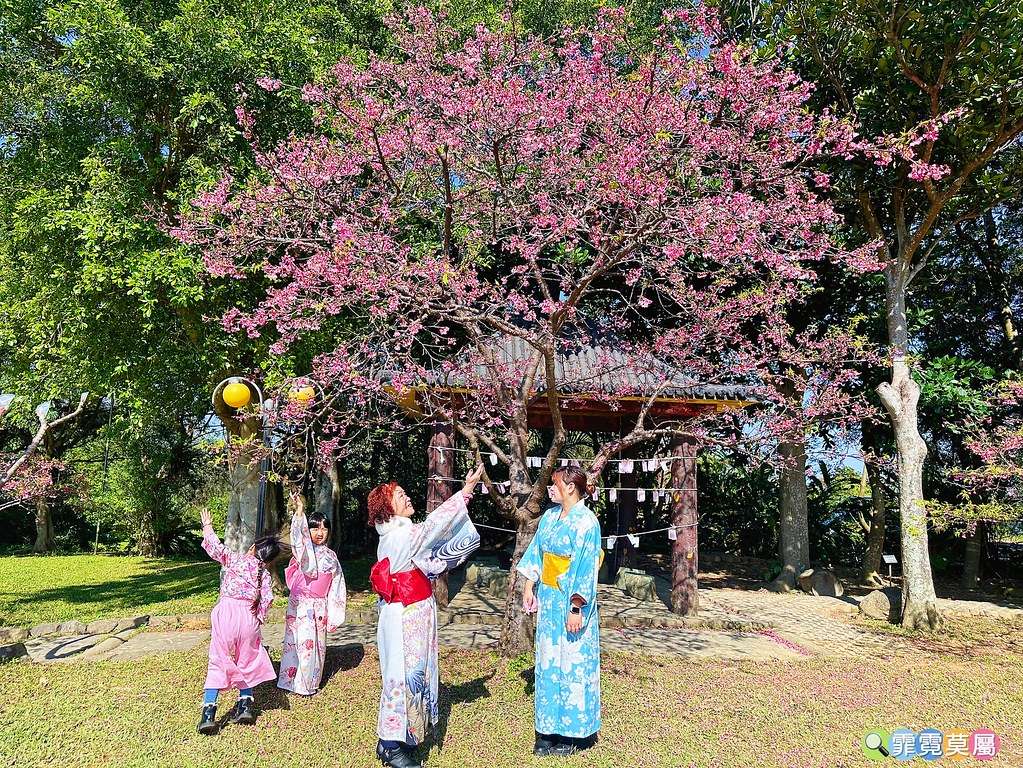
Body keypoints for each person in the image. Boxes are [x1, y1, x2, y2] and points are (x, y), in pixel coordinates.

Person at [368, 464, 484, 768]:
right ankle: (391, 745)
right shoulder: (401, 535)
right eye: (400, 496)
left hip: (410, 613)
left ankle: (399, 739)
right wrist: (466, 491)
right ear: (387, 508)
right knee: (404, 675)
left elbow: (432, 548)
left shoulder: (398, 533)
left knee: (410, 674)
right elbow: (434, 527)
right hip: (405, 615)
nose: (407, 498)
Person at [516, 466, 602, 757]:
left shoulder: (587, 523)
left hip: (571, 602)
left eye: (555, 485)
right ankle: (547, 729)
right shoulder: (550, 518)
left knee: (573, 663)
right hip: (550, 601)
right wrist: (529, 585)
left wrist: (577, 607)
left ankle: (572, 733)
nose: (550, 489)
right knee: (549, 663)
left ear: (571, 488)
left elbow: (586, 569)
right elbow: (536, 553)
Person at [197, 508, 280, 735]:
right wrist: (257, 618)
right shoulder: (263, 575)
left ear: (253, 548)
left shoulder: (234, 560)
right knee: (247, 659)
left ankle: (208, 713)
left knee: (218, 659)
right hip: (248, 618)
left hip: (226, 614)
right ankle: (245, 705)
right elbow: (268, 599)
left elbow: (216, 549)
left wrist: (207, 526)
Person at [277, 488, 347, 696]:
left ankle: (306, 684)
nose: (320, 532)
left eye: (324, 528)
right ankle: (288, 680)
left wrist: (335, 614)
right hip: (299, 602)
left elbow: (337, 585)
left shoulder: (331, 557)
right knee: (293, 641)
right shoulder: (305, 552)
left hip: (318, 605)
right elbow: (300, 543)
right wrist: (299, 512)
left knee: (313, 646)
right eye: (315, 528)